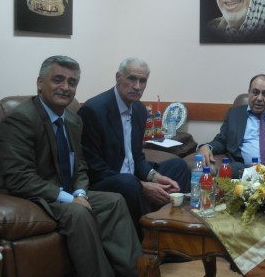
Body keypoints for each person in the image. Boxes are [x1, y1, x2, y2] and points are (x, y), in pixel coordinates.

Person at [0, 56, 141, 277]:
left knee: (114, 201)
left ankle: (136, 273)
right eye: (58, 80)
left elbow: (80, 165)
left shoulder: (72, 120)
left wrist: (80, 193)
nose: (66, 87)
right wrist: (71, 199)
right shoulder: (19, 120)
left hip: (60, 192)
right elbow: (20, 179)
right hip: (25, 196)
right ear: (40, 83)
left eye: (72, 82)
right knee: (78, 212)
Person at [78, 57, 190, 239]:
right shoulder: (94, 110)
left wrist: (154, 176)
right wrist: (142, 185)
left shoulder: (139, 110)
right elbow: (94, 168)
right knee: (129, 183)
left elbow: (136, 157)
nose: (137, 86)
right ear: (118, 78)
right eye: (132, 78)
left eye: (142, 81)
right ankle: (146, 243)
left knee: (178, 166)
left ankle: (173, 233)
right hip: (105, 180)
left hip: (131, 177)